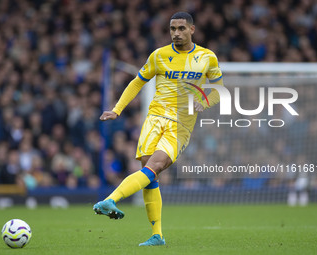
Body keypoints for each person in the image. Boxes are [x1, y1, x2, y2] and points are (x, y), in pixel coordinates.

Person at [93, 12, 223, 246]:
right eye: (172, 29)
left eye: (181, 28)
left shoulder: (207, 57)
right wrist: (117, 109)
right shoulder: (159, 55)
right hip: (154, 119)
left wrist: (204, 102)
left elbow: (218, 90)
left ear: (192, 30)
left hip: (181, 124)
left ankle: (111, 199)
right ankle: (158, 235)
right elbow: (137, 82)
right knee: (148, 173)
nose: (176, 33)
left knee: (155, 166)